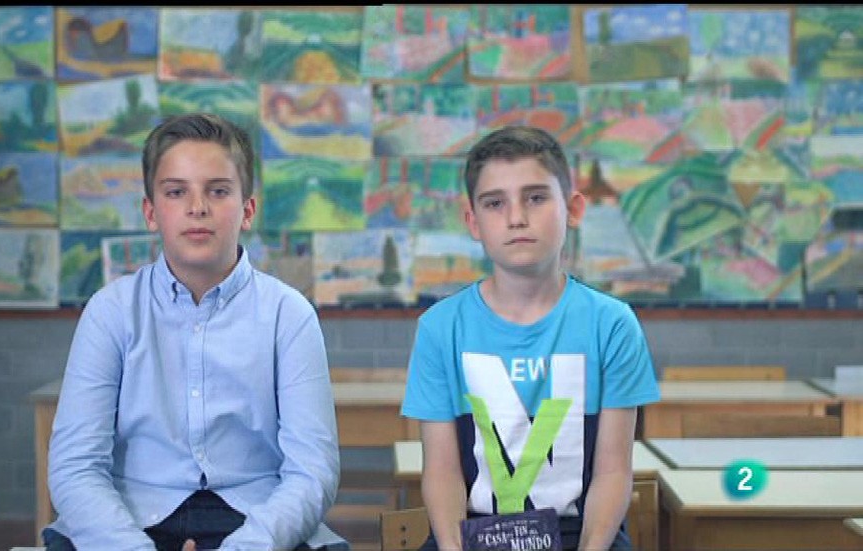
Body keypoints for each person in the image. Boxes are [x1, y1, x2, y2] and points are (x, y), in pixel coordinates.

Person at [45, 113, 344, 551]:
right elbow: (75, 466)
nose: (197, 207)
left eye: (218, 191)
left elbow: (313, 470)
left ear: (248, 210)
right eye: (176, 191)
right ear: (151, 212)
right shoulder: (110, 312)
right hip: (129, 519)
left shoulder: (289, 315)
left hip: (258, 520)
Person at [401, 126, 661, 551]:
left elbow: (613, 471)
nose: (516, 217)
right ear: (473, 221)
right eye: (495, 203)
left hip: (581, 536)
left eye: (536, 198)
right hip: (473, 536)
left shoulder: (612, 324)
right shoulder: (440, 328)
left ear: (573, 209)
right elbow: (442, 472)